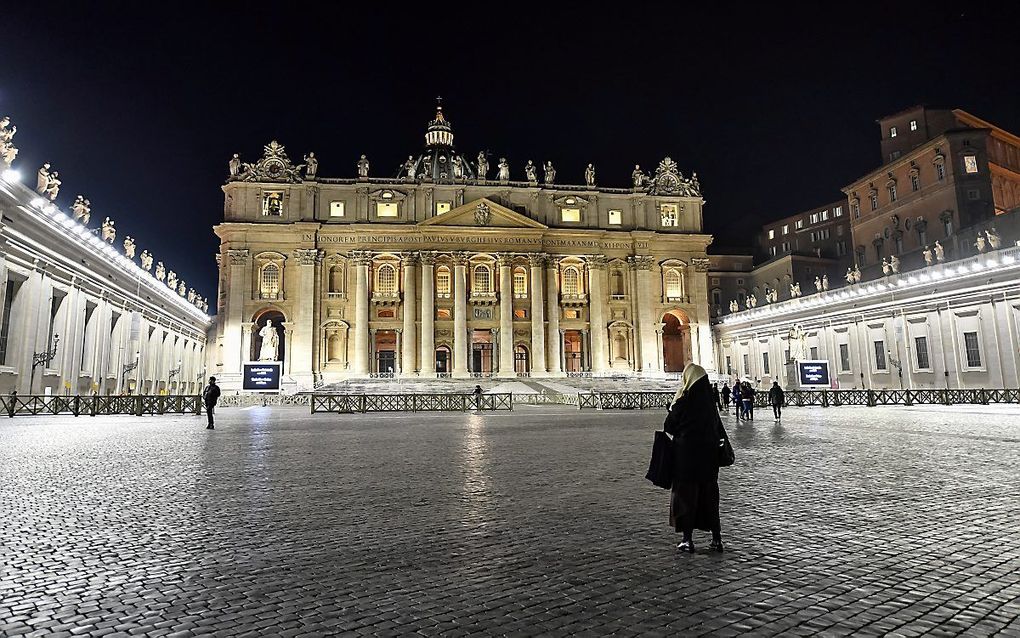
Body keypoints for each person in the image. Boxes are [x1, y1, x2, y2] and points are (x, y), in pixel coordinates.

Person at [664, 363, 725, 553]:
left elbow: (669, 426)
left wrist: (674, 406)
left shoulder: (684, 401)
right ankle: (716, 540)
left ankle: (687, 540)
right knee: (710, 499)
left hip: (686, 460)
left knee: (686, 499)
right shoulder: (710, 405)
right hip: (709, 461)